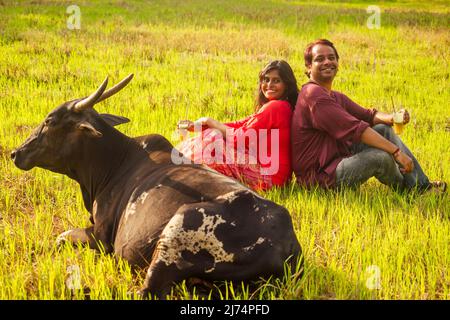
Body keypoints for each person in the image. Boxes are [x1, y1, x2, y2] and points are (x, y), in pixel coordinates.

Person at [291, 39, 446, 193]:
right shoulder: (313, 95)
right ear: (309, 67)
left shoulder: (334, 96)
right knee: (380, 158)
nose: (327, 62)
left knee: (383, 129)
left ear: (337, 63)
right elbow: (355, 129)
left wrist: (393, 118)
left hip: (337, 159)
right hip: (320, 177)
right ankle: (411, 191)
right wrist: (396, 153)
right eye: (320, 59)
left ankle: (420, 185)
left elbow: (368, 116)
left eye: (331, 58)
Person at [176, 60, 299, 191]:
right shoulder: (281, 106)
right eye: (266, 79)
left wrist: (211, 123)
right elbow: (241, 124)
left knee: (213, 139)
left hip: (269, 177)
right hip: (275, 175)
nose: (269, 85)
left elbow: (242, 137)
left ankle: (180, 172)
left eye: (276, 81)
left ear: (287, 85)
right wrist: (205, 125)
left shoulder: (276, 107)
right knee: (213, 135)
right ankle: (184, 170)